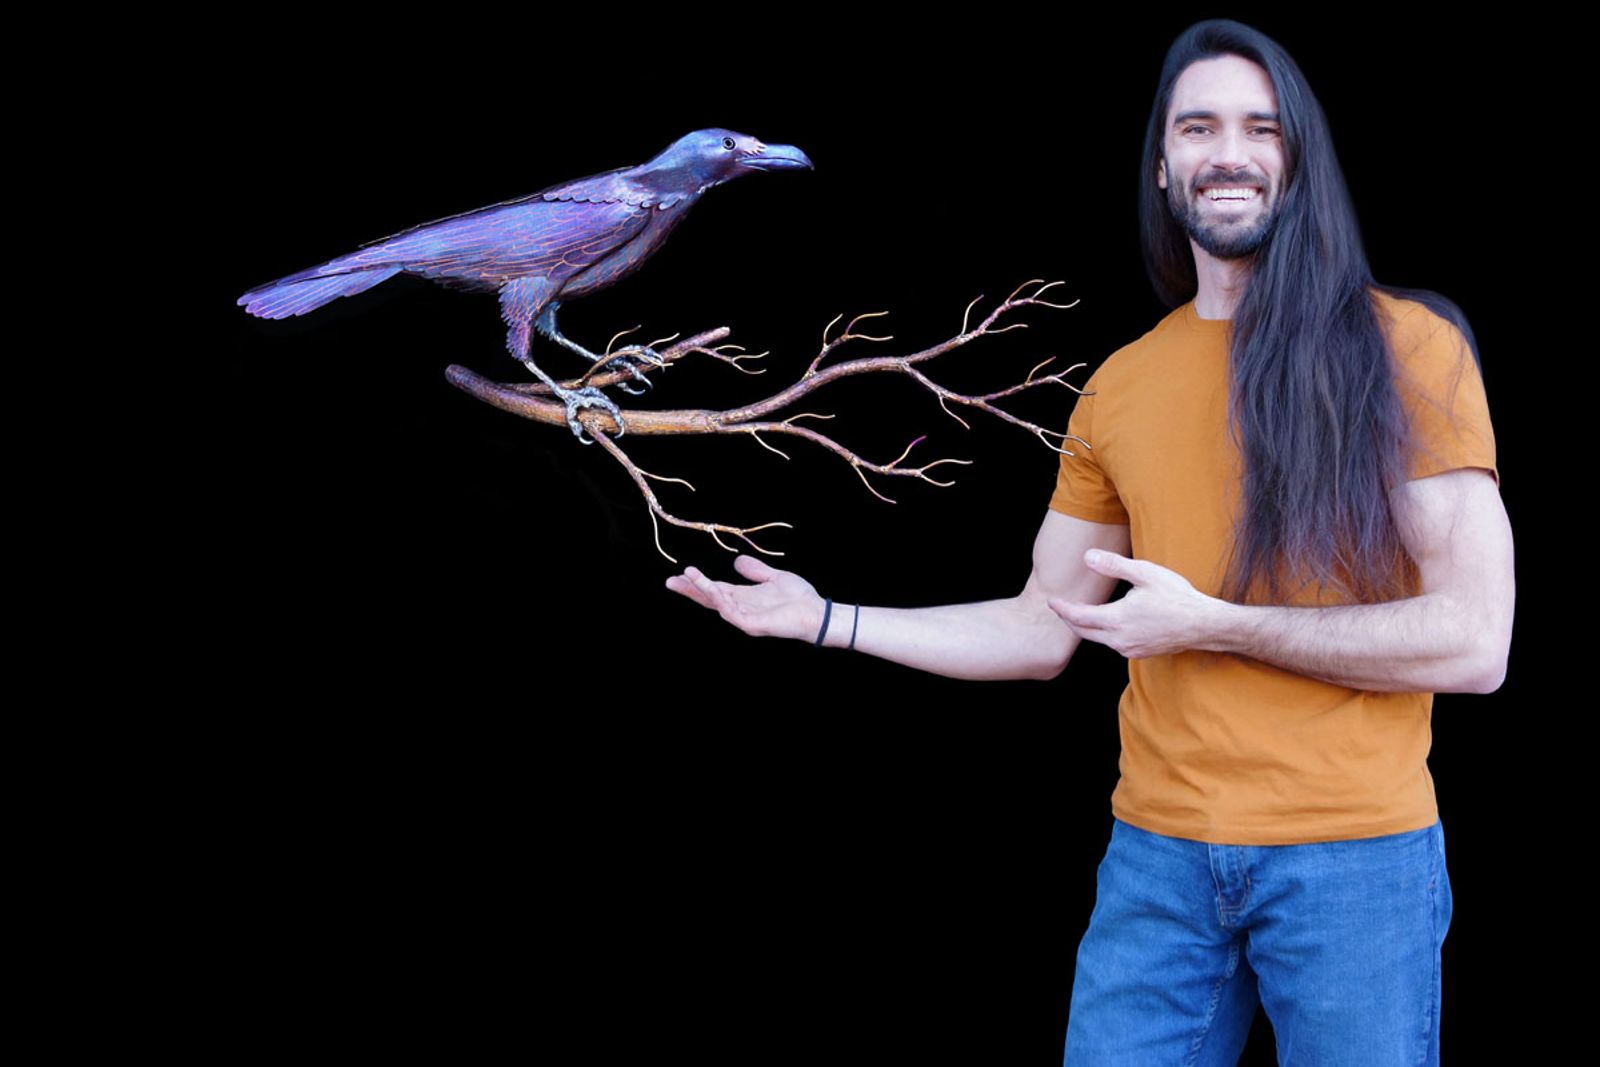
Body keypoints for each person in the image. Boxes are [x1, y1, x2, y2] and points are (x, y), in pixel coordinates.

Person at [666, 18, 1513, 1066]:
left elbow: (1475, 639)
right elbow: (1038, 626)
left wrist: (1212, 624)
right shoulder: (1121, 385)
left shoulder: (1407, 349)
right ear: (1163, 163)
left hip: (1353, 858)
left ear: (1296, 159)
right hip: (1158, 863)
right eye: (1197, 127)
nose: (1230, 152)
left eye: (1261, 127)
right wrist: (824, 618)